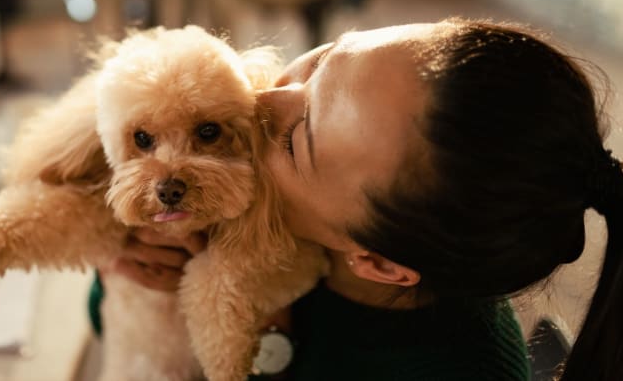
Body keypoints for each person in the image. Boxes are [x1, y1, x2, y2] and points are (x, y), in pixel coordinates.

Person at [91, 19, 622, 380]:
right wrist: (126, 270)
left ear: (379, 264)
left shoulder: (456, 368)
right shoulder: (253, 202)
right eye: (323, 61)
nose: (261, 101)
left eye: (296, 142)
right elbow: (111, 325)